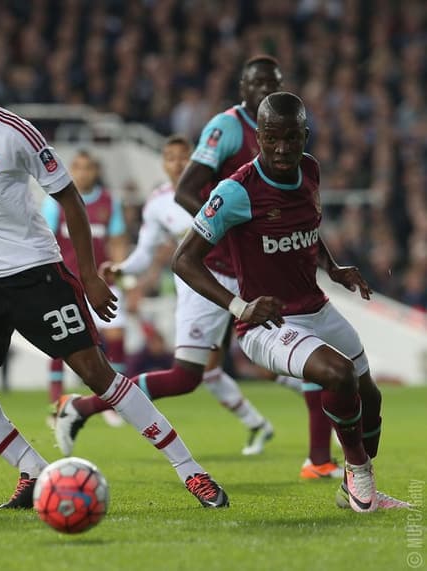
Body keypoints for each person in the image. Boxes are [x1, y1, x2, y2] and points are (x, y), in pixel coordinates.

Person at [0, 35, 228, 510]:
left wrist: (92, 277)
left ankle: (191, 471)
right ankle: (31, 469)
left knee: (99, 375)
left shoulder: (15, 133)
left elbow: (70, 200)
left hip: (36, 274)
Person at [173, 91, 409, 512]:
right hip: (268, 325)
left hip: (316, 307)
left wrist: (333, 268)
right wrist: (238, 308)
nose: (281, 148)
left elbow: (306, 230)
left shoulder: (310, 171)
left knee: (370, 399)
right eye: (271, 137)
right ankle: (360, 484)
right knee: (338, 375)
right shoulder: (235, 192)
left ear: (305, 135)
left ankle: (354, 482)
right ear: (258, 137)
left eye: (291, 138)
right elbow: (183, 260)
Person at [54, 135, 275, 457]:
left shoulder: (219, 189)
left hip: (241, 281)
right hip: (200, 290)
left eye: (184, 157)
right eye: (170, 158)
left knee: (279, 349)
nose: (178, 164)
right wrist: (123, 268)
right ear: (163, 163)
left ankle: (317, 430)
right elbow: (145, 251)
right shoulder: (159, 203)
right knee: (190, 375)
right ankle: (83, 408)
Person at [173, 56, 340, 479]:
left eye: (274, 81)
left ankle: (319, 458)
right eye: (257, 82)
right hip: (217, 266)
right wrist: (232, 235)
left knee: (307, 343)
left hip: (258, 261)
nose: (266, 88)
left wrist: (330, 265)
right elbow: (186, 191)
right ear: (242, 87)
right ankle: (86, 404)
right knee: (188, 373)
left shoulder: (290, 143)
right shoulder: (227, 127)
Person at [41, 150, 126, 426]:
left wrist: (123, 273)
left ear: (95, 171)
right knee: (60, 342)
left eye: (88, 167)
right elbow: (45, 239)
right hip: (67, 283)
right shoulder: (56, 202)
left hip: (101, 283)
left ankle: (112, 404)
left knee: (115, 336)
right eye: (77, 167)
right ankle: (56, 405)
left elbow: (117, 240)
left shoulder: (109, 202)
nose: (83, 172)